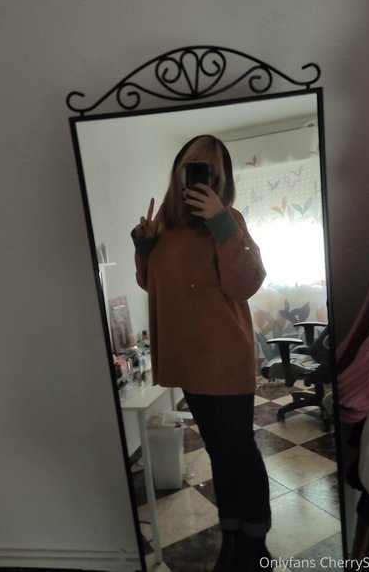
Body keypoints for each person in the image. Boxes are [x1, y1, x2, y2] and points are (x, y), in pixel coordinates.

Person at [131, 135, 272, 572]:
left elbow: (246, 284)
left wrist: (223, 225)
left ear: (222, 180)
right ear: (178, 171)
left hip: (225, 359)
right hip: (190, 361)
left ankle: (255, 545)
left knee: (239, 452)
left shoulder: (230, 221)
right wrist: (144, 248)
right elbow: (152, 285)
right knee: (218, 452)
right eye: (193, 166)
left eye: (209, 171)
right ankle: (232, 537)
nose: (199, 177)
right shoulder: (164, 227)